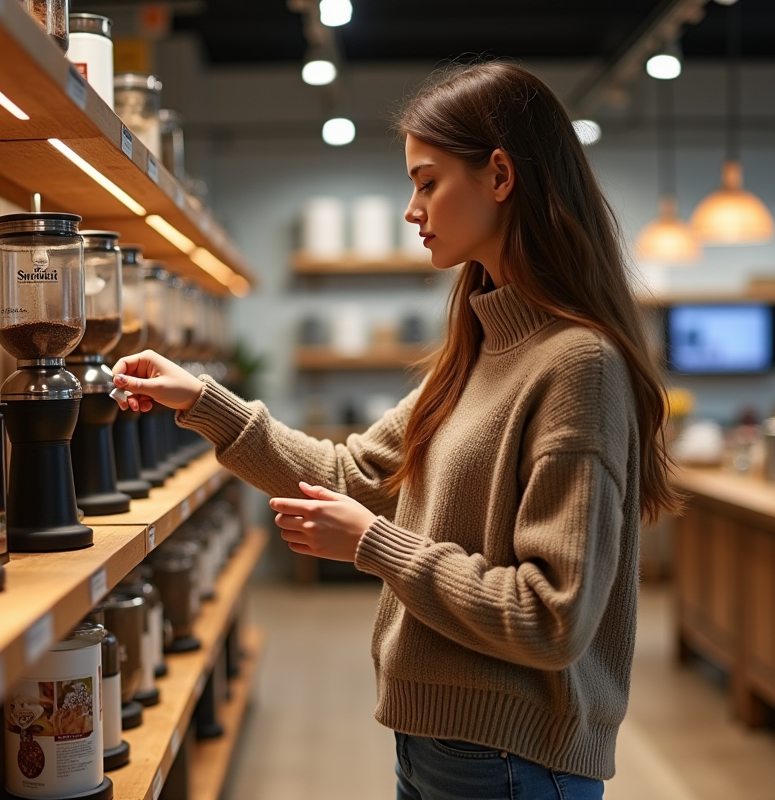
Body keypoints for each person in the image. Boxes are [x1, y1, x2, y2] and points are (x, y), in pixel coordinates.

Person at [112, 62, 680, 800]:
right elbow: (350, 474)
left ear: (500, 175)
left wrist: (374, 545)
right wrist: (200, 400)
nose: (412, 210)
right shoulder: (477, 349)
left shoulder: (578, 365)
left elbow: (551, 617)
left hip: (510, 761)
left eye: (427, 182)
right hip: (438, 744)